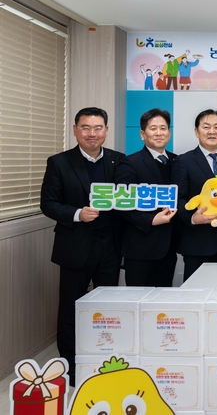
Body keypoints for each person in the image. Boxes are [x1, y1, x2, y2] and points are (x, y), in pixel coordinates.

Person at [40, 107, 124, 383]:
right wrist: (77, 213)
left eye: (98, 128)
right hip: (75, 246)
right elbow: (48, 204)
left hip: (110, 246)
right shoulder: (59, 162)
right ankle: (71, 368)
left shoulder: (118, 160)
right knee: (71, 307)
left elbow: (128, 198)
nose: (92, 133)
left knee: (106, 309)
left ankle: (103, 361)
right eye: (86, 128)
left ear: (106, 131)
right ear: (75, 130)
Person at [171, 109, 217, 281]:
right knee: (196, 291)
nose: (212, 131)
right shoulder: (184, 161)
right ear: (196, 131)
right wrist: (193, 218)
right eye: (206, 127)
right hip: (197, 243)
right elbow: (178, 199)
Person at [114, 108, 177, 287]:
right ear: (143, 134)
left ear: (169, 133)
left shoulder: (177, 161)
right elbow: (120, 203)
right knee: (138, 299)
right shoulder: (130, 163)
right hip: (141, 248)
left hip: (169, 247)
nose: (159, 133)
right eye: (153, 128)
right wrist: (151, 220)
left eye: (163, 128)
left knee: (163, 299)